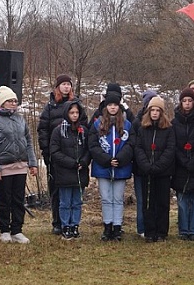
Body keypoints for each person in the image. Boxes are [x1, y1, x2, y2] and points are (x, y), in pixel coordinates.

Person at [38, 75, 88, 235]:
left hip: (76, 155)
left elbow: (85, 128)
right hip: (57, 155)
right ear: (58, 87)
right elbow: (43, 130)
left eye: (68, 84)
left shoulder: (78, 105)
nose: (66, 87)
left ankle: (73, 223)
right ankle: (58, 222)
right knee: (57, 191)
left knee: (74, 195)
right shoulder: (50, 106)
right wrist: (47, 153)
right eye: (63, 84)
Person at [0, 86, 38, 244]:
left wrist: (32, 163)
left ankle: (17, 229)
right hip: (4, 167)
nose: (13, 103)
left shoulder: (21, 119)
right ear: (2, 103)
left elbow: (28, 141)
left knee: (18, 198)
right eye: (10, 101)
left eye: (15, 101)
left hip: (21, 165)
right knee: (4, 199)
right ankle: (4, 229)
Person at [89, 94, 133, 241]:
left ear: (119, 106)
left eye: (115, 104)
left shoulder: (127, 124)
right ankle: (107, 226)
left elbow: (131, 145)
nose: (113, 107)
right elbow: (93, 145)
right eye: (110, 105)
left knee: (118, 198)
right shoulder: (98, 124)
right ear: (106, 107)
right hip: (103, 167)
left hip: (121, 166)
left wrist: (120, 159)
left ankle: (117, 227)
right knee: (106, 198)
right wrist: (106, 160)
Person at [132, 96, 175, 242]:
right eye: (153, 110)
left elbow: (170, 149)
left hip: (162, 172)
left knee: (162, 202)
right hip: (146, 172)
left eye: (158, 110)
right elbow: (138, 148)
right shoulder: (143, 128)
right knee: (148, 202)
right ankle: (149, 231)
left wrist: (158, 166)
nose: (155, 113)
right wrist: (146, 165)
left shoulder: (168, 129)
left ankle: (162, 232)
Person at [50, 100, 90, 240]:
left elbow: (88, 149)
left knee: (77, 202)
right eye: (72, 112)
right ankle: (65, 226)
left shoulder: (83, 131)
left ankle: (75, 225)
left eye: (77, 113)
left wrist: (84, 162)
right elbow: (55, 152)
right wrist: (71, 163)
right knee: (65, 202)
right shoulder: (58, 131)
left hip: (80, 172)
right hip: (65, 172)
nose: (74, 115)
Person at [171, 88, 194, 241]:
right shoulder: (175, 121)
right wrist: (182, 160)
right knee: (183, 199)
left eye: (190, 101)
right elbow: (173, 143)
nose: (187, 104)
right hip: (180, 165)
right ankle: (184, 229)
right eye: (184, 101)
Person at [132, 90, 157, 237]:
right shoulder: (138, 122)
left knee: (154, 198)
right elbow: (135, 145)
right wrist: (143, 163)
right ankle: (141, 227)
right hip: (140, 167)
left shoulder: (161, 122)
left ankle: (153, 225)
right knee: (141, 198)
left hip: (157, 167)